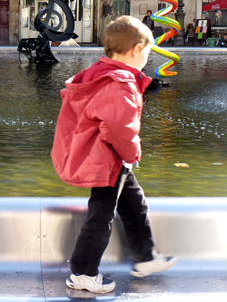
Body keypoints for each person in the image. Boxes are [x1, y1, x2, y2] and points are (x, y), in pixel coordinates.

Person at [51, 16, 176, 294]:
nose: (147, 58)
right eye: (148, 52)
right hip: (108, 160)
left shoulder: (100, 72)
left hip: (107, 158)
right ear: (136, 50)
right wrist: (132, 153)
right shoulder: (121, 82)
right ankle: (82, 272)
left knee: (134, 204)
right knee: (101, 214)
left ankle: (145, 257)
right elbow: (120, 127)